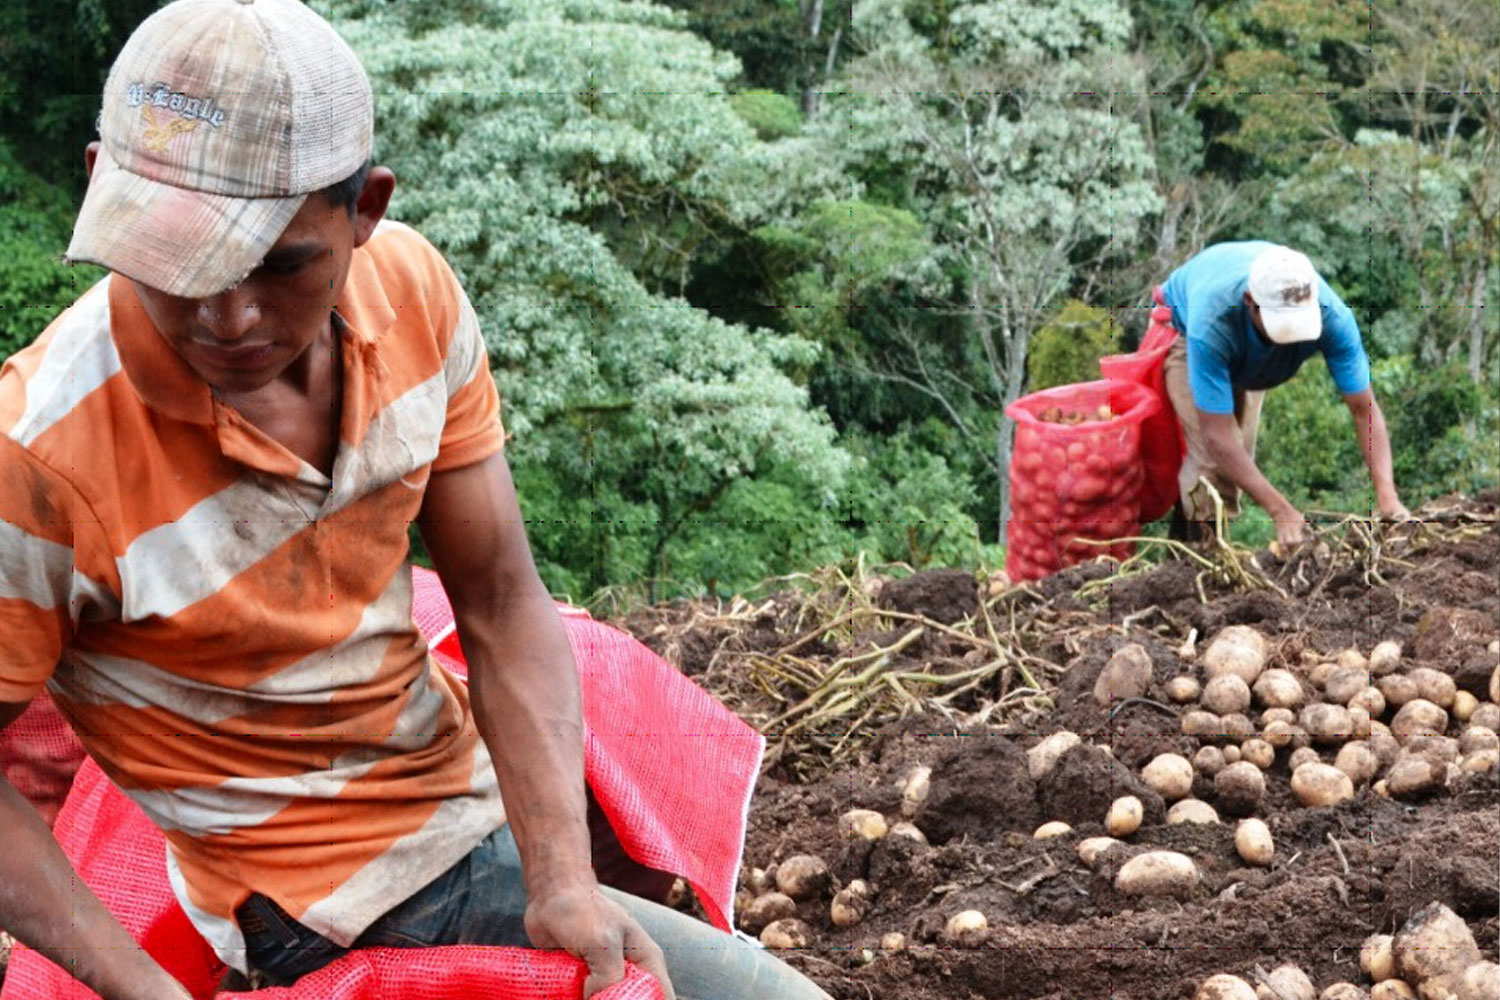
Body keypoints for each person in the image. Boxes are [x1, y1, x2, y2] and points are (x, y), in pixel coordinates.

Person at [0, 2, 830, 998]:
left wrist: (564, 877)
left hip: (471, 823)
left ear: (365, 210)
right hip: (302, 919)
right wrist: (142, 988)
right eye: (177, 265)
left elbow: (499, 597)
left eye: (278, 263)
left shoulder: (415, 294)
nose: (228, 316)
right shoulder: (39, 452)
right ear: (103, 186)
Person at [1158, 241, 1409, 547]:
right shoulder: (1211, 322)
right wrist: (1280, 510)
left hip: (1252, 360)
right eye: (1283, 326)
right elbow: (1217, 437)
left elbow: (1364, 410)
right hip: (1184, 334)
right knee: (1213, 462)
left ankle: (1194, 541)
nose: (1291, 336)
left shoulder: (1333, 317)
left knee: (1238, 459)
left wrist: (1388, 499)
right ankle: (1200, 558)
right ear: (1251, 301)